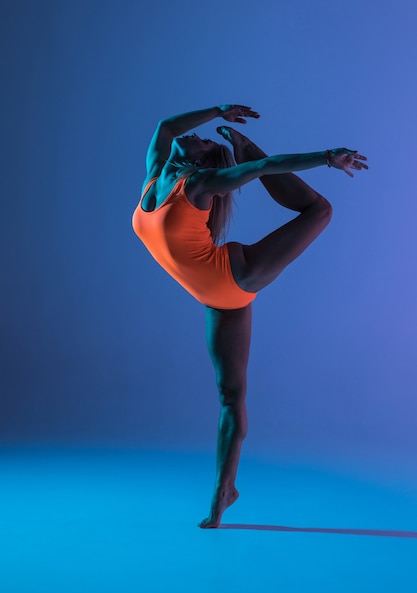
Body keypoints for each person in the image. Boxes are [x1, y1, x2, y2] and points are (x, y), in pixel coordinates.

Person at [132, 104, 368, 528]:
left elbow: (266, 168)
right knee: (230, 396)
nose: (203, 137)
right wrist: (218, 110)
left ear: (199, 161)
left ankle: (245, 148)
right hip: (218, 298)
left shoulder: (199, 184)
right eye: (205, 137)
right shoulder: (155, 174)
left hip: (234, 277)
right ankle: (226, 489)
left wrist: (327, 157)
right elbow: (165, 125)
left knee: (320, 211)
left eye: (204, 141)